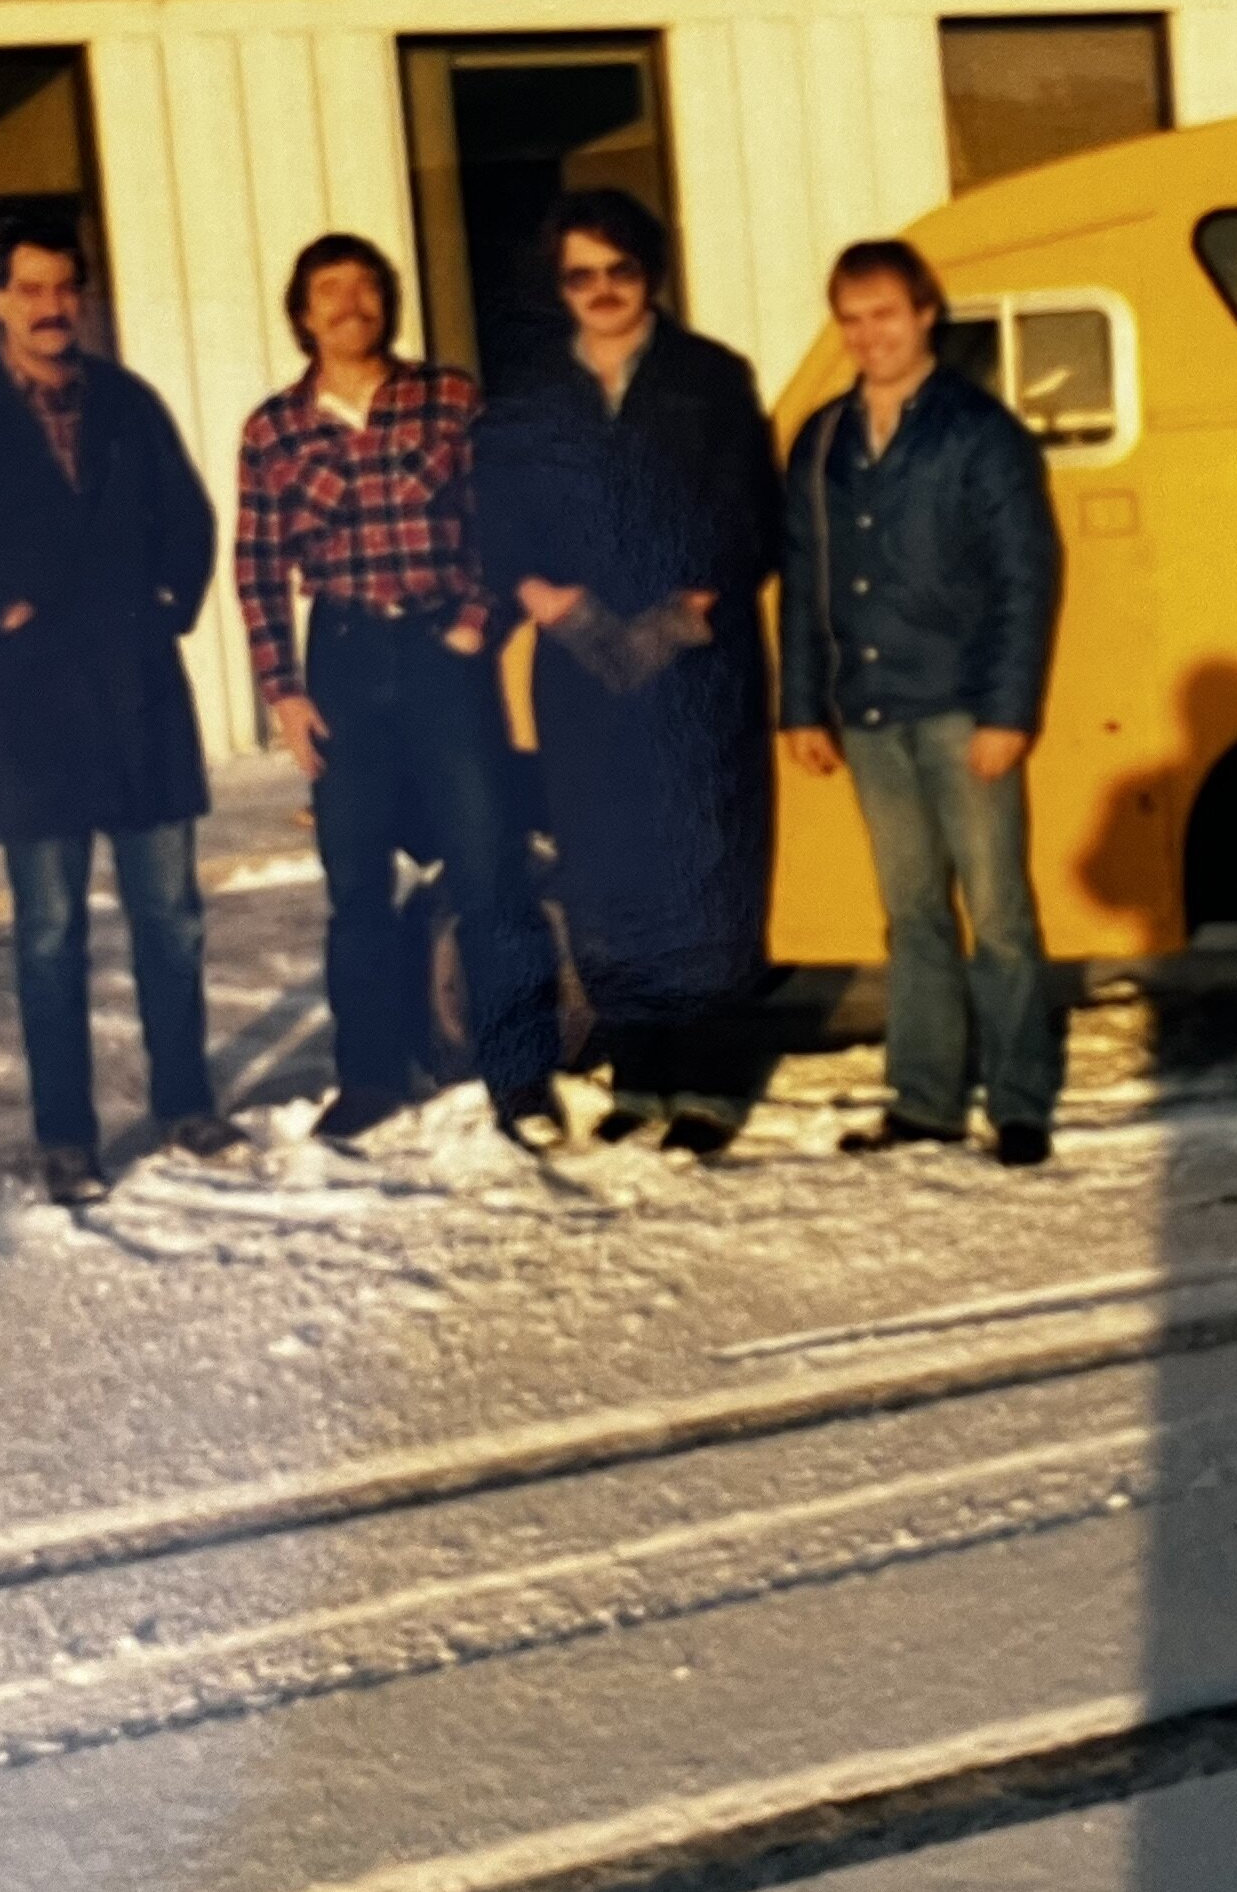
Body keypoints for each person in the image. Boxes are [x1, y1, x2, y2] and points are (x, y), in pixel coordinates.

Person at [0, 219, 230, 1206]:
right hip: (35, 705)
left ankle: (186, 1104)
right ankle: (68, 1135)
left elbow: (192, 519)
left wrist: (168, 601)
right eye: (31, 289)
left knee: (171, 920)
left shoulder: (127, 402)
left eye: (64, 288)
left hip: (139, 696)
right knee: (49, 933)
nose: (50, 307)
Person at [234, 230, 567, 1147]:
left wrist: (475, 622)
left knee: (488, 867)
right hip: (342, 659)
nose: (351, 304)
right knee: (356, 888)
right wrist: (283, 692)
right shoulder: (273, 429)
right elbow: (257, 566)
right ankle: (369, 1078)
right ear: (303, 315)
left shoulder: (449, 398)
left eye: (366, 286)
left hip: (440, 654)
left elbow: (500, 522)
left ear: (388, 300)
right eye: (330, 291)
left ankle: (519, 1078)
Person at [480, 188, 782, 1157]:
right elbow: (494, 517)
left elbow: (752, 512)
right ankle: (642, 1074)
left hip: (695, 656)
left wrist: (690, 606)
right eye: (582, 275)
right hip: (578, 663)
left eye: (621, 270)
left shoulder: (710, 377)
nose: (603, 290)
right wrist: (540, 593)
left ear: (649, 272)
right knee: (609, 869)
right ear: (560, 285)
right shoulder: (531, 393)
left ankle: (710, 1085)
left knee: (705, 868)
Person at [780, 238, 1066, 1167]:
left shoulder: (979, 432)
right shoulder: (823, 439)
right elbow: (804, 579)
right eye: (851, 320)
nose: (870, 335)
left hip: (963, 711)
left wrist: (1008, 711)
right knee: (911, 914)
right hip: (870, 712)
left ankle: (1019, 1103)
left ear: (925, 315)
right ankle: (926, 1101)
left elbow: (1026, 577)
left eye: (885, 315)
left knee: (1000, 912)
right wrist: (800, 705)